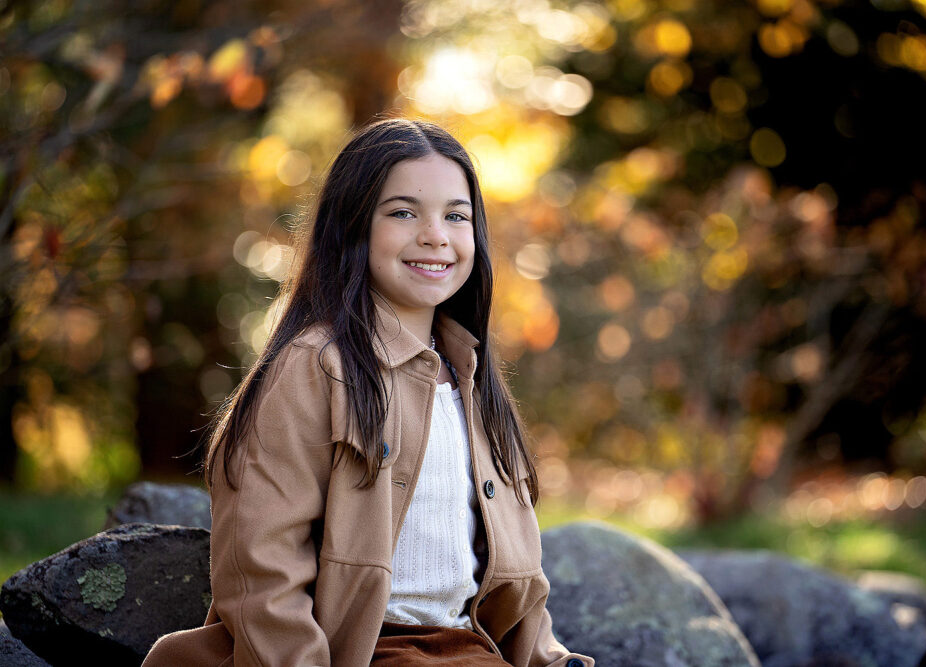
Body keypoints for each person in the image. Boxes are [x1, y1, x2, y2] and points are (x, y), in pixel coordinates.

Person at [142, 118, 594, 667]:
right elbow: (262, 570)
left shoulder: (475, 383)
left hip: (470, 651)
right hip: (367, 651)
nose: (436, 235)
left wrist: (549, 658)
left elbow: (517, 581)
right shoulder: (315, 366)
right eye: (403, 212)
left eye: (456, 216)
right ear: (353, 226)